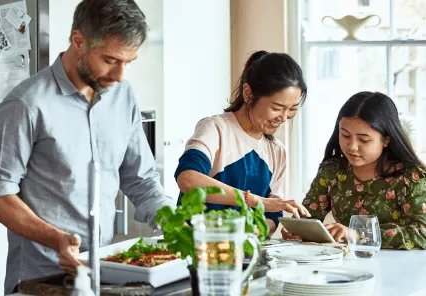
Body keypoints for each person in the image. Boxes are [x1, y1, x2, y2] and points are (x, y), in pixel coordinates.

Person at [0, 0, 175, 293]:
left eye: (128, 62)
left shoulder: (122, 95)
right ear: (78, 41)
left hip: (103, 273)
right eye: (110, 60)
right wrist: (56, 238)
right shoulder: (25, 104)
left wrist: (175, 222)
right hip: (41, 280)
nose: (120, 76)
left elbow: (142, 179)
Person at [175, 51, 311, 235]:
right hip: (199, 248)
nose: (284, 117)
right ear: (248, 94)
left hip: (245, 253)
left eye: (292, 109)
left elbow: (272, 214)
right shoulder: (216, 129)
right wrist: (253, 200)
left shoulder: (277, 151)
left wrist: (253, 231)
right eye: (276, 108)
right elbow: (188, 178)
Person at [283, 91, 426, 249]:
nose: (352, 147)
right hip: (345, 264)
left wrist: (358, 235)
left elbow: (422, 234)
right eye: (345, 135)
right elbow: (309, 218)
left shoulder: (411, 177)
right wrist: (298, 230)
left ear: (386, 139)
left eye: (363, 139)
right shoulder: (332, 171)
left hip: (401, 267)